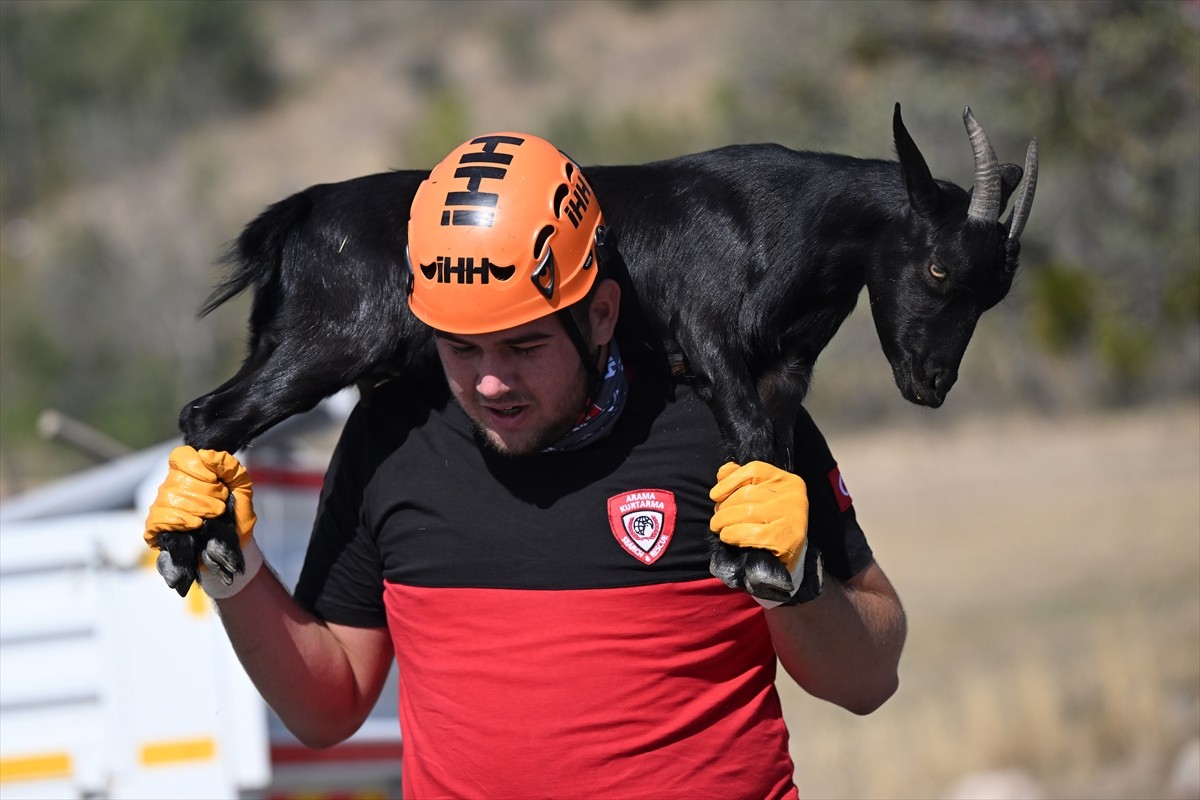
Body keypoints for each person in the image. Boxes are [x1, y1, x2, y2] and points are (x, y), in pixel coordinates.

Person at [144, 132, 906, 799]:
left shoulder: (734, 421)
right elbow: (327, 707)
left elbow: (868, 678)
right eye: (460, 347)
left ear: (601, 312)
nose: (490, 382)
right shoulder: (391, 439)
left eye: (525, 346)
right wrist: (232, 570)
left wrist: (796, 583)